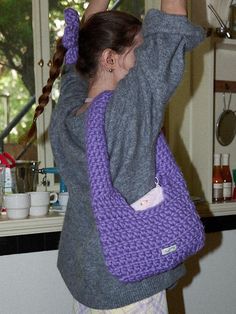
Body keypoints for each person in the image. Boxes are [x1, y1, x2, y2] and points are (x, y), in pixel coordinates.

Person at [28, 0, 205, 312]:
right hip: (130, 287)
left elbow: (80, 62)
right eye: (138, 48)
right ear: (109, 59)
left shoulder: (66, 115)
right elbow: (171, 27)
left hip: (88, 282)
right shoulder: (127, 110)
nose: (142, 58)